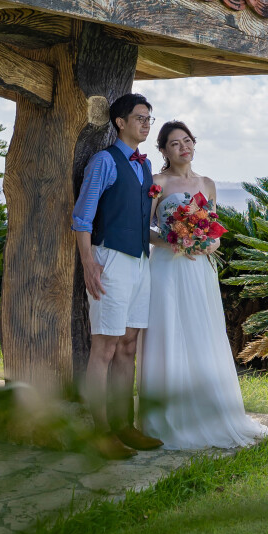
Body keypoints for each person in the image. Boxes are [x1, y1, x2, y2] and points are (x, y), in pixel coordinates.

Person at [138, 120, 268, 450]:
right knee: (168, 331)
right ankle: (167, 416)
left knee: (202, 332)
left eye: (187, 141)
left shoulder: (208, 183)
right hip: (168, 267)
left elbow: (212, 226)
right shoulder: (157, 182)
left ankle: (210, 410)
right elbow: (144, 229)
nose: (183, 147)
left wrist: (210, 243)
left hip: (200, 269)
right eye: (174, 143)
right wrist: (172, 240)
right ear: (163, 150)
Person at [72, 93, 164, 460]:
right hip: (110, 260)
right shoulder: (103, 161)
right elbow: (82, 218)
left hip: (140, 261)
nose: (145, 123)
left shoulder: (144, 167)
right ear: (120, 122)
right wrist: (88, 263)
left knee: (128, 347)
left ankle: (125, 424)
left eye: (149, 119)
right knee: (105, 348)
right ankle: (100, 431)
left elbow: (145, 220)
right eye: (140, 118)